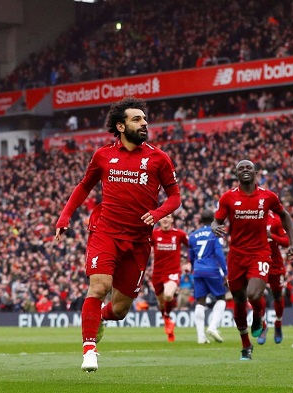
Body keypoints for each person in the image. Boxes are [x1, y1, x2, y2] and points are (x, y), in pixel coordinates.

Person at [55, 97, 181, 372]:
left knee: (120, 309)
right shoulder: (103, 155)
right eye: (137, 119)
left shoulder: (159, 158)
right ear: (121, 126)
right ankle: (89, 349)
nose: (144, 123)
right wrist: (65, 216)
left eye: (145, 119)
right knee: (99, 287)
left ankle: (99, 318)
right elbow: (83, 186)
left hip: (139, 239)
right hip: (106, 230)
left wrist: (158, 214)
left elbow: (175, 197)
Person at [212, 159, 293, 361]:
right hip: (236, 255)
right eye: (241, 168)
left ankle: (260, 316)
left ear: (255, 172)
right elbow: (217, 220)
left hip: (260, 253)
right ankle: (245, 345)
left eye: (248, 168)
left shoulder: (267, 196)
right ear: (236, 174)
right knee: (239, 302)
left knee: (253, 293)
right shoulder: (228, 198)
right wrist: (214, 226)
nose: (245, 171)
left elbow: (285, 215)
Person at [188, 209, 228, 344]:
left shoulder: (193, 235)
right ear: (214, 220)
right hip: (212, 269)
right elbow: (219, 254)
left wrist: (197, 269)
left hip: (198, 270)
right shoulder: (214, 233)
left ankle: (201, 337)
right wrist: (226, 272)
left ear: (200, 220)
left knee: (200, 301)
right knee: (221, 298)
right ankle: (212, 327)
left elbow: (191, 258)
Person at [150, 214, 188, 342]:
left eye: (169, 217)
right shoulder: (154, 234)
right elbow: (143, 248)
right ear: (159, 219)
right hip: (157, 273)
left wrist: (188, 261)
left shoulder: (179, 234)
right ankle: (168, 325)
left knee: (168, 295)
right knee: (161, 302)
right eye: (163, 217)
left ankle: (167, 318)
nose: (165, 219)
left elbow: (192, 247)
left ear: (172, 220)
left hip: (173, 272)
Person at [258, 211, 290, 345]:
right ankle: (263, 325)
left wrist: (272, 236)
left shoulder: (275, 220)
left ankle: (278, 323)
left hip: (275, 265)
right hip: (259, 262)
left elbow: (287, 242)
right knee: (257, 294)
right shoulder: (250, 216)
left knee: (277, 296)